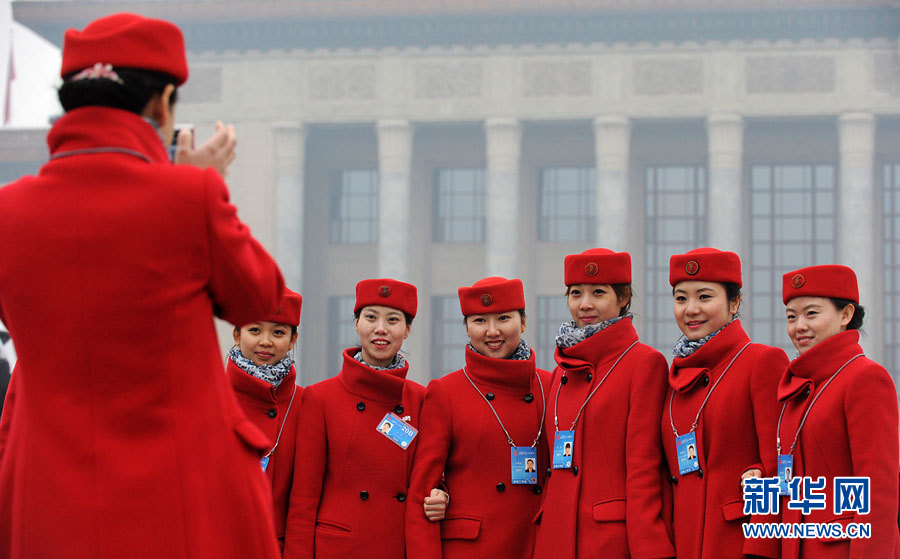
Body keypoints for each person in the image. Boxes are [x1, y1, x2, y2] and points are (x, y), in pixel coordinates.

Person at [0, 13, 284, 559]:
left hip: (48, 499)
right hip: (180, 498)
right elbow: (261, 299)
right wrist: (204, 188)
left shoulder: (9, 212)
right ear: (163, 102)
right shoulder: (190, 198)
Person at [284, 278, 445, 559]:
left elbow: (433, 476)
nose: (380, 329)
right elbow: (303, 501)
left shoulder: (423, 399)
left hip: (399, 546)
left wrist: (442, 496)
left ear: (407, 330)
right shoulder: (320, 398)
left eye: (393, 320)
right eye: (371, 317)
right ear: (357, 324)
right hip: (340, 548)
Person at [532, 249, 674, 559]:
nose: (585, 304)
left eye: (598, 292)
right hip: (555, 538)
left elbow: (644, 466)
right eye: (575, 293)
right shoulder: (560, 371)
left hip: (609, 540)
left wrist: (649, 546)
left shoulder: (644, 363)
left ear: (623, 298)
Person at [406, 276, 550, 559]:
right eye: (480, 321)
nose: (492, 331)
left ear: (523, 323)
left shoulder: (552, 386)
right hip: (474, 548)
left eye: (504, 318)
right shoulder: (445, 392)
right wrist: (442, 494)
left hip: (540, 544)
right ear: (467, 328)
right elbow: (423, 489)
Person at [661, 248, 788, 559]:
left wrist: (762, 548)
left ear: (735, 303)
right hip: (684, 543)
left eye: (704, 297)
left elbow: (777, 466)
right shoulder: (673, 376)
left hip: (737, 541)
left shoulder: (762, 362)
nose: (691, 309)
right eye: (681, 298)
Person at [777, 265, 900, 558]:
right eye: (791, 317)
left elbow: (877, 490)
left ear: (845, 315)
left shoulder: (865, 378)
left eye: (811, 313)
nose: (799, 326)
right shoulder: (800, 387)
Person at [228, 287, 304, 553]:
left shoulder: (306, 404)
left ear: (293, 340)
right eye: (255, 330)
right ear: (237, 335)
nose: (266, 341)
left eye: (279, 332)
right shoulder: (208, 398)